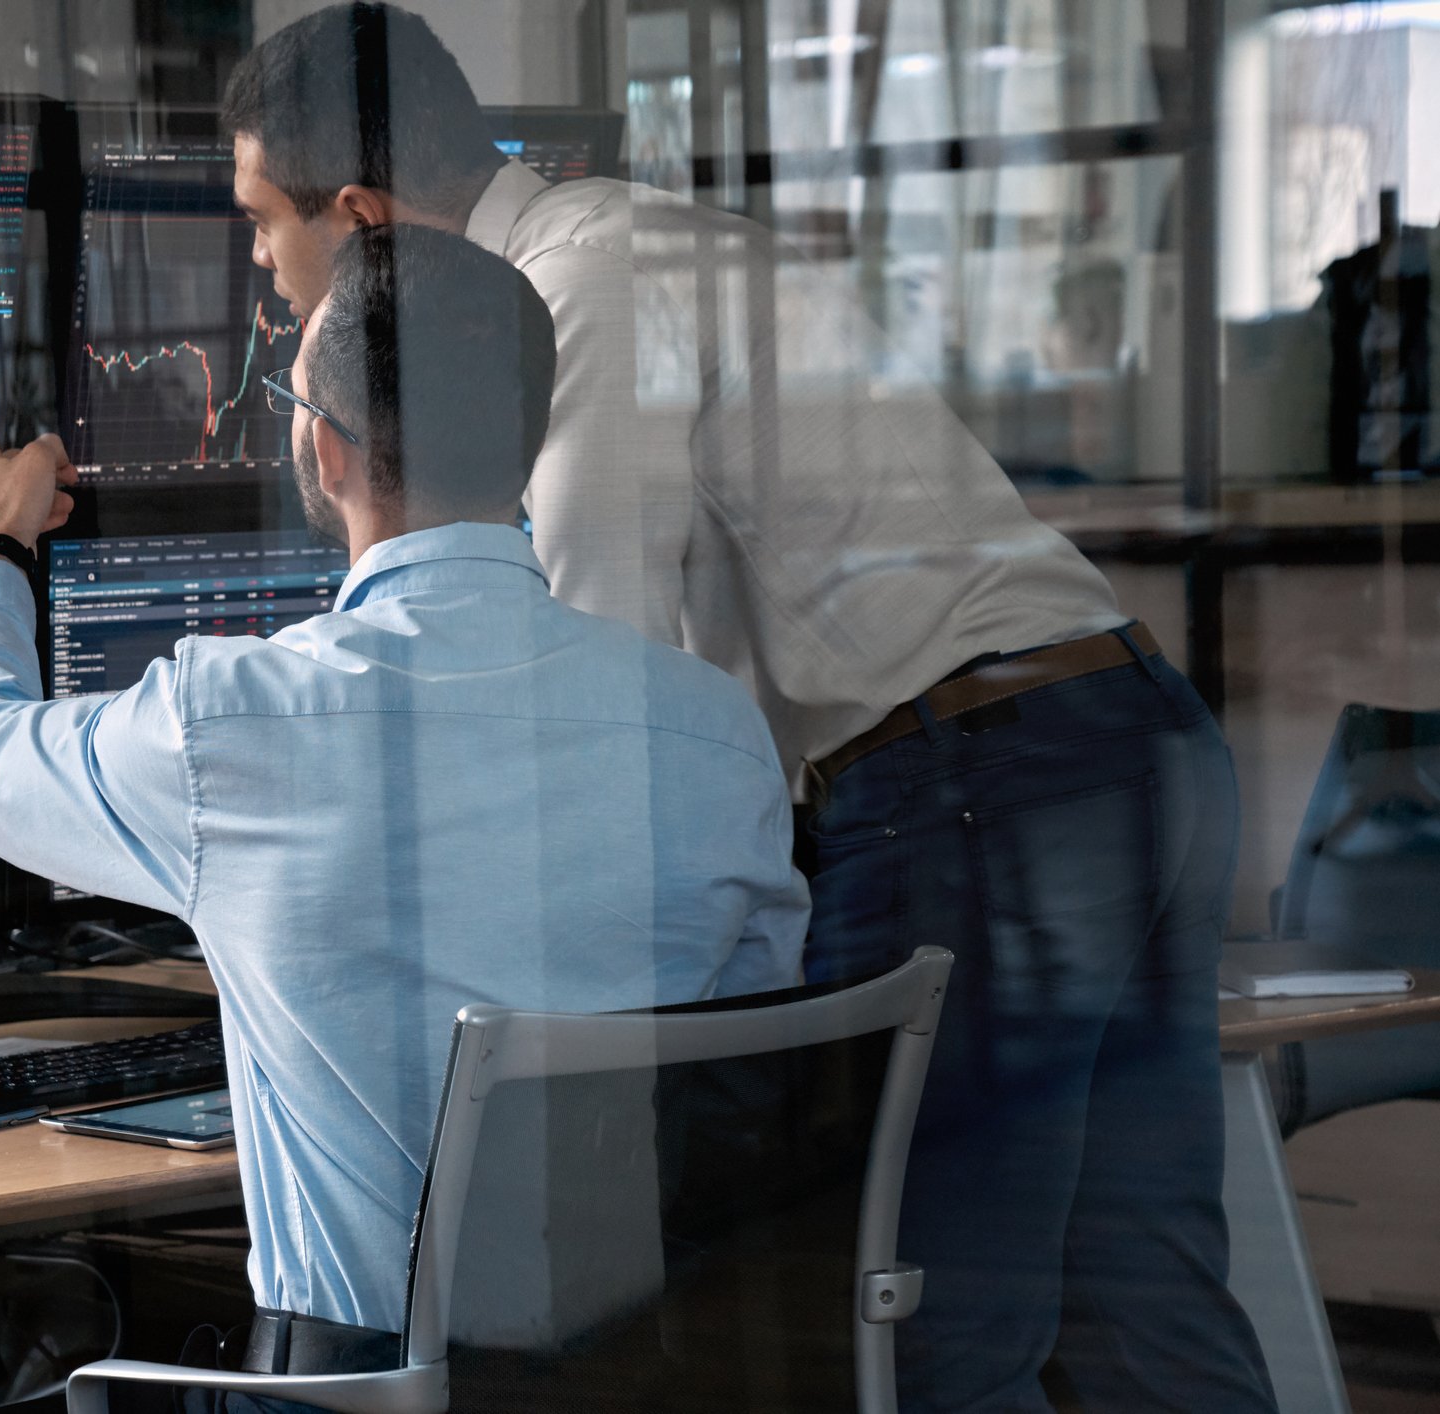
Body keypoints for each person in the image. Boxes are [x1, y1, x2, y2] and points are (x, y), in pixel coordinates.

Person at [218, 7, 1276, 1412]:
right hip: (1122, 731)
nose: (255, 265)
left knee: (915, 1323)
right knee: (1141, 1284)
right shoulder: (642, 234)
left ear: (355, 219)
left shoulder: (570, 289)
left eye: (259, 224)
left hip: (970, 779)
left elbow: (581, 674)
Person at [0, 224, 808, 1410]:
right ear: (529, 446)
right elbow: (750, 1058)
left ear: (326, 450)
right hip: (642, 1374)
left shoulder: (228, 724)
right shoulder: (715, 737)